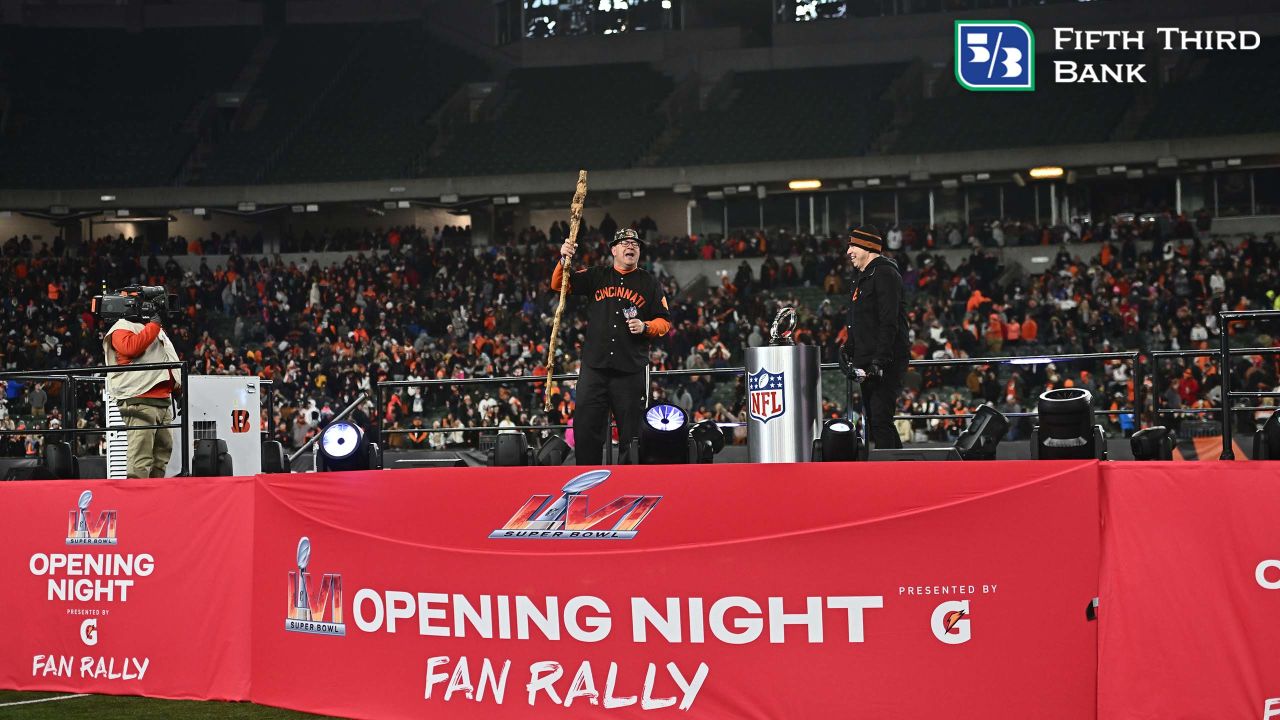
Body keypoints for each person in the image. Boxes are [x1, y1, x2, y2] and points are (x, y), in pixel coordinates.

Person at [553, 228, 671, 465]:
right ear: (614, 249)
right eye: (625, 243)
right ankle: (588, 479)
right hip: (594, 368)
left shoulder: (649, 282)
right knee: (585, 428)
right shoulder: (597, 275)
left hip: (631, 369)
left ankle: (629, 483)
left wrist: (646, 326)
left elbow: (665, 321)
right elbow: (560, 285)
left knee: (633, 435)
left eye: (636, 244)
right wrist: (564, 259)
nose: (631, 247)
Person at [841, 226, 910, 450]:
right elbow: (861, 322)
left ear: (867, 246)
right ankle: (887, 474)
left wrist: (879, 362)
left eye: (853, 245)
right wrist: (848, 349)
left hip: (883, 363)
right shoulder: (863, 276)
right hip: (868, 362)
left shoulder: (885, 273)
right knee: (873, 421)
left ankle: (898, 474)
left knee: (881, 420)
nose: (849, 251)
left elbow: (889, 321)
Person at [103, 305, 181, 478]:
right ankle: (136, 500)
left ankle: (154, 498)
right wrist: (154, 325)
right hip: (139, 399)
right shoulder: (121, 326)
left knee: (162, 455)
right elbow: (130, 347)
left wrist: (177, 389)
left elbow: (167, 359)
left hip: (162, 400)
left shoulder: (152, 328)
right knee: (141, 456)